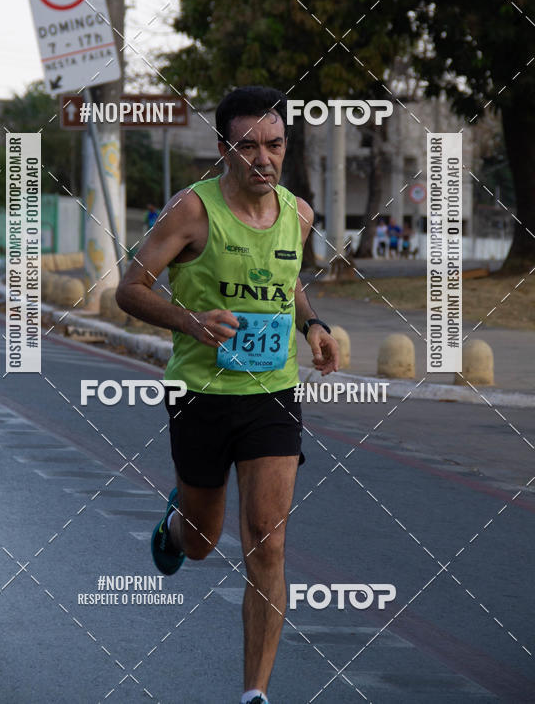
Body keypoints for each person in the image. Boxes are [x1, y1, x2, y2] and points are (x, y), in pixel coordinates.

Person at [116, 86, 339, 704]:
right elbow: (129, 289)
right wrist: (192, 322)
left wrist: (312, 324)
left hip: (272, 391)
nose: (262, 159)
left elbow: (287, 281)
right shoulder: (191, 211)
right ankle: (177, 519)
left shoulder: (299, 213)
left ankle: (254, 695)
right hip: (201, 393)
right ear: (223, 150)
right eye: (247, 147)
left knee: (268, 537)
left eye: (274, 145)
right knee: (203, 540)